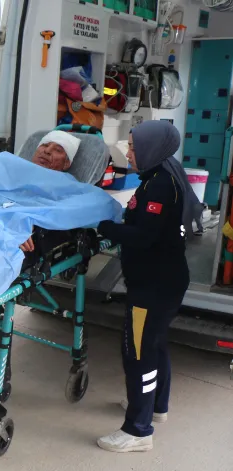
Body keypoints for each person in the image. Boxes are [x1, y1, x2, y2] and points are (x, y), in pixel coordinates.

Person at [95, 120, 203, 453]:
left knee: (138, 355)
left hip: (152, 286)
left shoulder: (159, 185)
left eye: (133, 147)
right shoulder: (161, 175)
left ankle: (138, 430)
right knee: (154, 345)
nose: (128, 153)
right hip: (165, 281)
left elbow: (144, 236)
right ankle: (156, 406)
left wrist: (102, 227)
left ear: (152, 148)